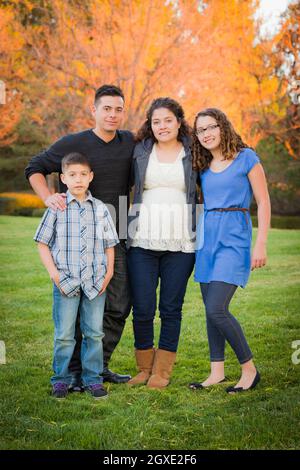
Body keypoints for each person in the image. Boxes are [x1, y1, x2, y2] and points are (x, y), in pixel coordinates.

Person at [25, 85, 134, 387]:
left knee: (118, 305)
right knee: (73, 306)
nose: (112, 115)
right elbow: (34, 167)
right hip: (75, 243)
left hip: (116, 238)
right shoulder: (74, 143)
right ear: (94, 110)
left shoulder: (129, 142)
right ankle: (73, 372)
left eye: (118, 109)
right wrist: (48, 196)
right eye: (107, 108)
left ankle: (98, 367)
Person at [189, 108, 271, 393]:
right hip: (207, 237)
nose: (206, 134)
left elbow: (263, 202)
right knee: (210, 309)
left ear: (223, 127)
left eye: (211, 127)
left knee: (217, 307)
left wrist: (260, 243)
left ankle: (249, 369)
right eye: (200, 130)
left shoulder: (246, 157)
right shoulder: (202, 166)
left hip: (234, 237)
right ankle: (217, 372)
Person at [34, 152, 119, 399]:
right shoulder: (57, 207)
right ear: (63, 178)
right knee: (64, 335)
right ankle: (61, 379)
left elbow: (109, 243)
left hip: (95, 282)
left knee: (94, 333)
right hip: (66, 282)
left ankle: (92, 379)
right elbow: (42, 243)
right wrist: (54, 275)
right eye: (72, 175)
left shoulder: (100, 209)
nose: (78, 179)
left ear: (91, 177)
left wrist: (109, 272)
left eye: (83, 174)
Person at [126, 97, 198, 389]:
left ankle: (162, 372)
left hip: (182, 243)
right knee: (142, 307)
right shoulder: (140, 150)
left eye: (168, 120)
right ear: (150, 124)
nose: (162, 126)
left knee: (171, 308)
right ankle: (144, 368)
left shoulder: (195, 151)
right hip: (141, 240)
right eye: (156, 121)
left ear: (179, 122)